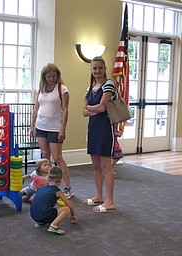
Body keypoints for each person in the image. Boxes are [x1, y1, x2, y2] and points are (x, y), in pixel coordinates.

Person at [30, 63, 73, 199]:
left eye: (53, 76)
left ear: (57, 76)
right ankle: (45, 186)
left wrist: (63, 128)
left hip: (55, 128)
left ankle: (68, 187)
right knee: (45, 157)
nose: (51, 79)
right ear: (44, 77)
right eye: (48, 77)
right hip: (41, 126)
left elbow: (65, 109)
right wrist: (32, 126)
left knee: (58, 158)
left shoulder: (62, 89)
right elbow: (36, 108)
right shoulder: (41, 89)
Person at [82, 56, 116, 213]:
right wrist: (92, 108)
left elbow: (103, 108)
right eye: (94, 68)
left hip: (104, 129)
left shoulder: (109, 84)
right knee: (95, 166)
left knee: (105, 166)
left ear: (104, 69)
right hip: (93, 129)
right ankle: (99, 196)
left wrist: (90, 108)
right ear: (91, 70)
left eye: (100, 68)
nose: (97, 71)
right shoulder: (90, 88)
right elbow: (84, 112)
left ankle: (110, 201)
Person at [30, 166, 77, 235]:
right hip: (43, 216)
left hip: (34, 216)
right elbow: (70, 206)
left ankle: (41, 223)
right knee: (66, 209)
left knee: (46, 208)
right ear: (60, 180)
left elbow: (32, 199)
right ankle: (54, 225)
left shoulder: (41, 188)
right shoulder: (58, 192)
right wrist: (73, 216)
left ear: (47, 178)